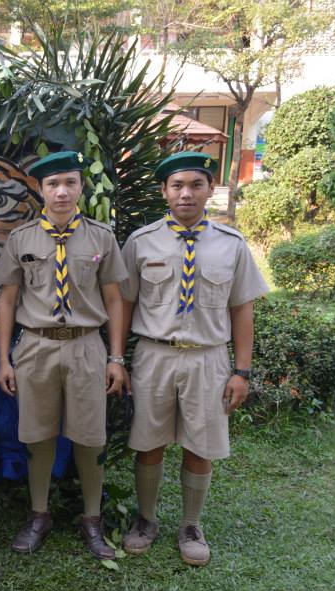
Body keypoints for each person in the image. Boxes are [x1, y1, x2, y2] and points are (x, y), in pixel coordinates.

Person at [120, 152, 268, 566]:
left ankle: (191, 525)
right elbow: (124, 303)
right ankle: (146, 519)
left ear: (209, 189)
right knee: (148, 441)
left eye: (195, 185)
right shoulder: (141, 241)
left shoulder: (231, 245)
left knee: (200, 444)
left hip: (207, 357)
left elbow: (242, 309)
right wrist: (117, 357)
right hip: (155, 355)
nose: (186, 193)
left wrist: (241, 371)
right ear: (164, 191)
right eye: (177, 185)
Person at [0, 151, 128, 560]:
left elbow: (114, 299)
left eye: (70, 182)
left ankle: (92, 518)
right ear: (40, 190)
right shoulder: (22, 239)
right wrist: (5, 359)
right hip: (37, 347)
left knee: (90, 437)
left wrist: (116, 358)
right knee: (38, 436)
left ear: (81, 187)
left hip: (86, 346)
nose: (62, 191)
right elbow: (7, 300)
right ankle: (39, 514)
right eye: (53, 184)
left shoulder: (101, 237)